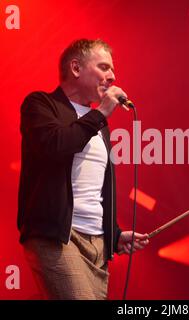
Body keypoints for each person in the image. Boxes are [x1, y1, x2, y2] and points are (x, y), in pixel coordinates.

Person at [18, 39, 149, 300]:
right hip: (58, 238)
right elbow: (55, 146)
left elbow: (96, 188)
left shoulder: (99, 125)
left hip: (98, 243)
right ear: (76, 68)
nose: (112, 76)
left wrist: (114, 233)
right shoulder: (41, 104)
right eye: (104, 67)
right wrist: (101, 112)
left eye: (112, 70)